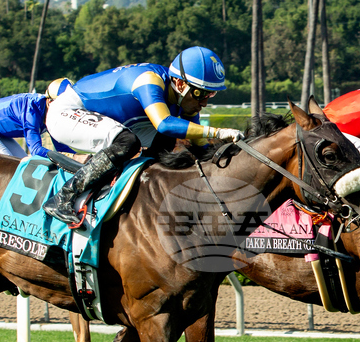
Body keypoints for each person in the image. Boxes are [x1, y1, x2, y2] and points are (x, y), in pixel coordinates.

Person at [42, 46, 243, 224]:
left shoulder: (184, 95)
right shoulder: (149, 80)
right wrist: (219, 132)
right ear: (181, 85)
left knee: (165, 142)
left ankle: (144, 196)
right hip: (67, 111)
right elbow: (164, 123)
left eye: (211, 94)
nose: (205, 102)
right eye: (201, 93)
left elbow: (200, 146)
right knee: (128, 142)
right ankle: (63, 196)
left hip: (112, 118)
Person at [0, 81, 68, 159]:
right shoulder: (31, 110)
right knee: (11, 166)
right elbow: (36, 150)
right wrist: (69, 156)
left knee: (25, 166)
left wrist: (82, 157)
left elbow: (62, 148)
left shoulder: (52, 112)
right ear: (50, 101)